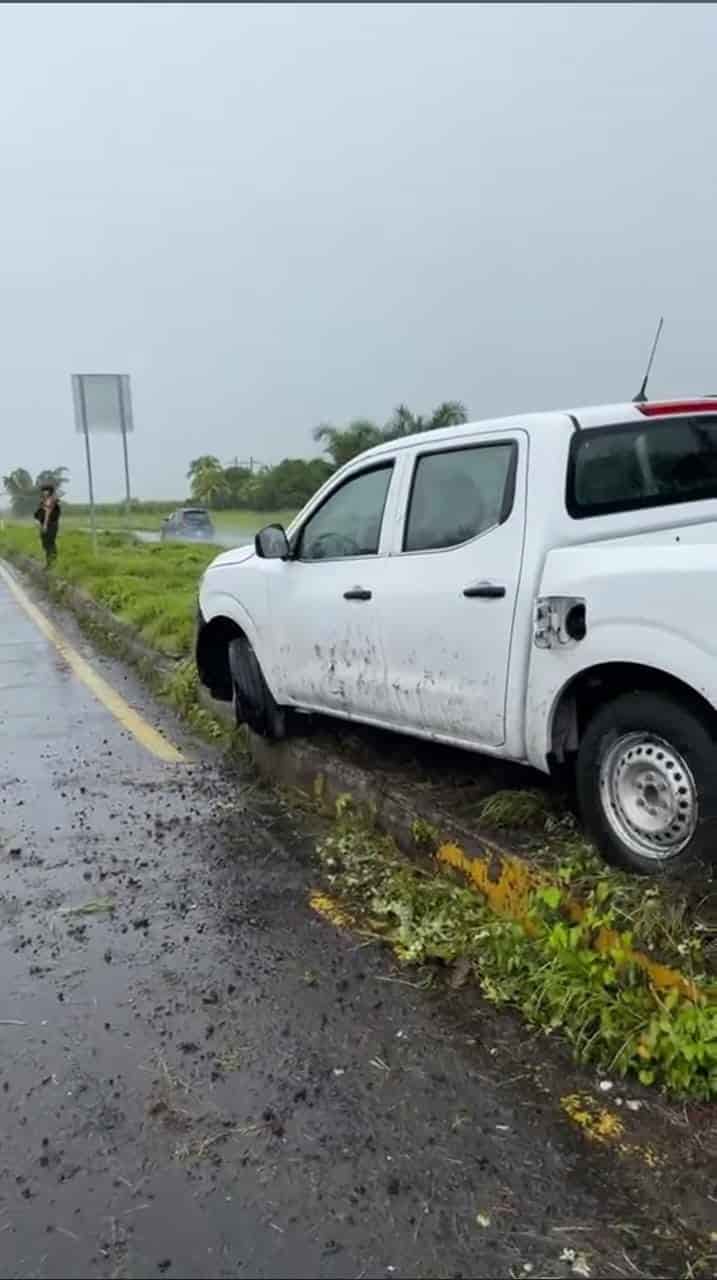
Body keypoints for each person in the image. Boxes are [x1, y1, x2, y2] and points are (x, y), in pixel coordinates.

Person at [34, 483, 61, 568]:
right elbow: (39, 514)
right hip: (45, 525)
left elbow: (47, 514)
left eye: (46, 490)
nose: (44, 492)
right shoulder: (44, 501)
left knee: (50, 543)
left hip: (51, 525)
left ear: (50, 492)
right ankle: (50, 562)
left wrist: (45, 525)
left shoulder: (51, 501)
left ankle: (51, 563)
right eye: (43, 490)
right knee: (45, 544)